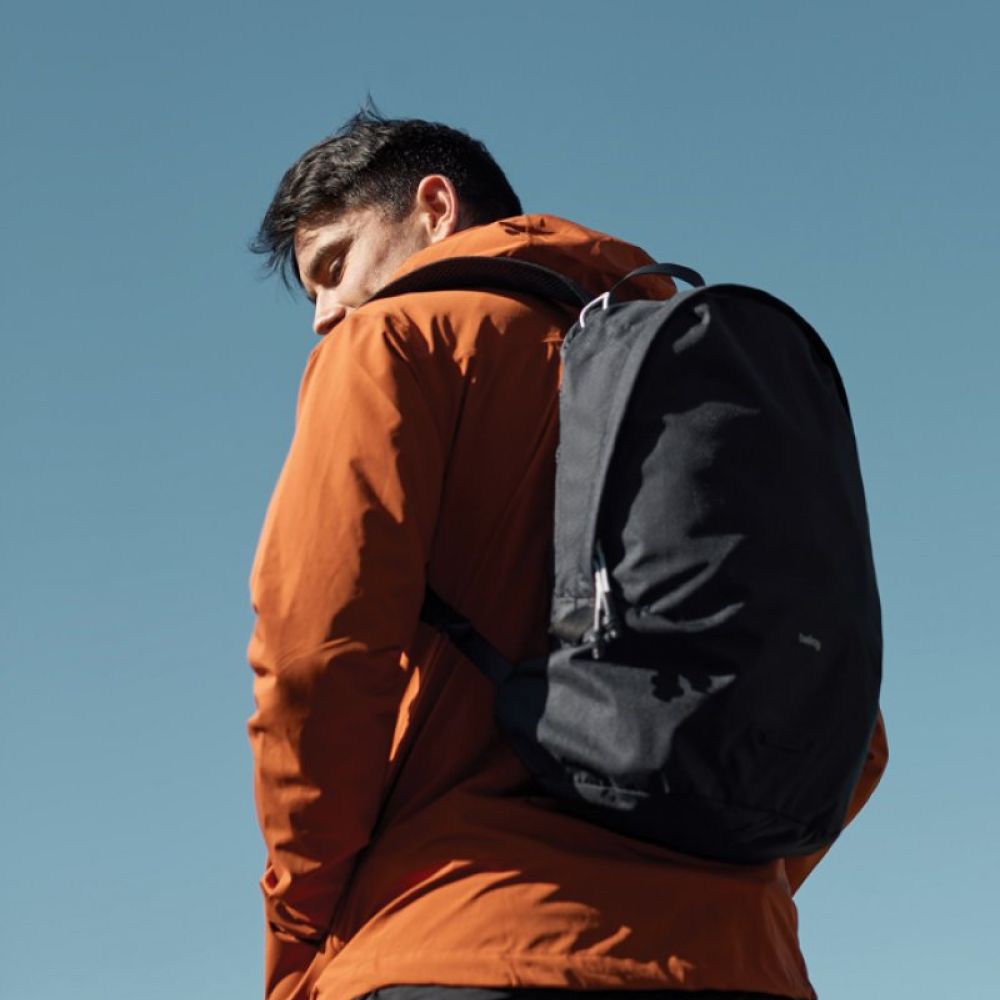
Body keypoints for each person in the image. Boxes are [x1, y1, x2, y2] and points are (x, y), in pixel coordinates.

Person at [247, 109, 888, 1000]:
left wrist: (303, 931)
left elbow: (317, 650)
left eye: (333, 265)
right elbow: (853, 730)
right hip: (744, 961)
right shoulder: (711, 388)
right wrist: (719, 888)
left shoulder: (398, 341)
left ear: (434, 208)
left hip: (463, 935)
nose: (324, 315)